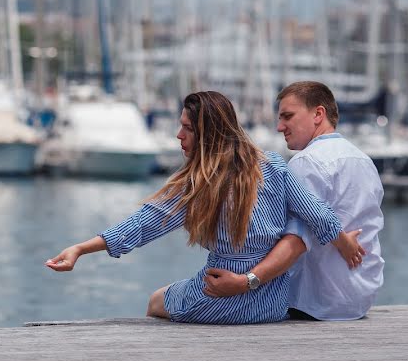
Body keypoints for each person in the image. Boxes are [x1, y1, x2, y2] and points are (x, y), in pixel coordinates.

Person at [45, 91, 362, 324]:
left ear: (208, 134)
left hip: (218, 295)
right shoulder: (274, 167)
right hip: (272, 301)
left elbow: (141, 226)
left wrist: (79, 249)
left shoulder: (196, 185)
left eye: (187, 128)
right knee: (175, 289)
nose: (178, 135)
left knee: (156, 300)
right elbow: (317, 213)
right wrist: (345, 242)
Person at [275, 81, 385, 320]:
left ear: (318, 114)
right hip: (360, 299)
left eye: (288, 116)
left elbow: (295, 241)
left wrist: (247, 281)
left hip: (316, 301)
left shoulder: (306, 162)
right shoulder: (364, 160)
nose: (279, 126)